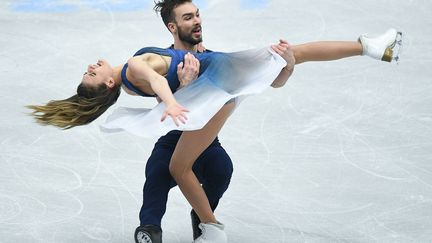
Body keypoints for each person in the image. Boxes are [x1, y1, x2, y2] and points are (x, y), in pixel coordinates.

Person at [27, 14, 402, 243]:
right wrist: (174, 101)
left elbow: (167, 73)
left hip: (214, 84)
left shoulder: (129, 78)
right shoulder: (129, 70)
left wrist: (179, 90)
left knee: (290, 58)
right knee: (172, 168)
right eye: (92, 72)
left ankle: (210, 226)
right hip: (214, 84)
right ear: (108, 84)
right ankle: (370, 47)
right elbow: (158, 82)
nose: (92, 64)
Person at [135, 1, 235, 243]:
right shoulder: (162, 63)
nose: (197, 21)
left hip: (205, 142)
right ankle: (150, 230)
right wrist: (183, 88)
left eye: (197, 15)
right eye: (188, 17)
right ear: (173, 26)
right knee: (157, 173)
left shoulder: (213, 61)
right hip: (172, 140)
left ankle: (201, 217)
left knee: (222, 168)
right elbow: (165, 109)